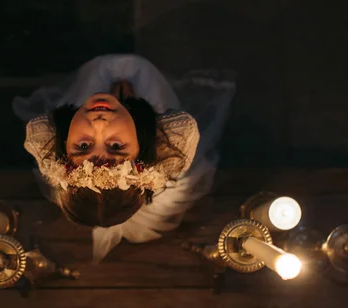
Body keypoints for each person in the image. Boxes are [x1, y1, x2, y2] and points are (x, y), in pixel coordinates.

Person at [13, 54, 236, 263]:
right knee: (140, 69)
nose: (99, 124)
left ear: (63, 145)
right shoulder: (165, 138)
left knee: (99, 70)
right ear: (143, 148)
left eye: (83, 146)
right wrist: (135, 108)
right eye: (116, 146)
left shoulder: (62, 130)